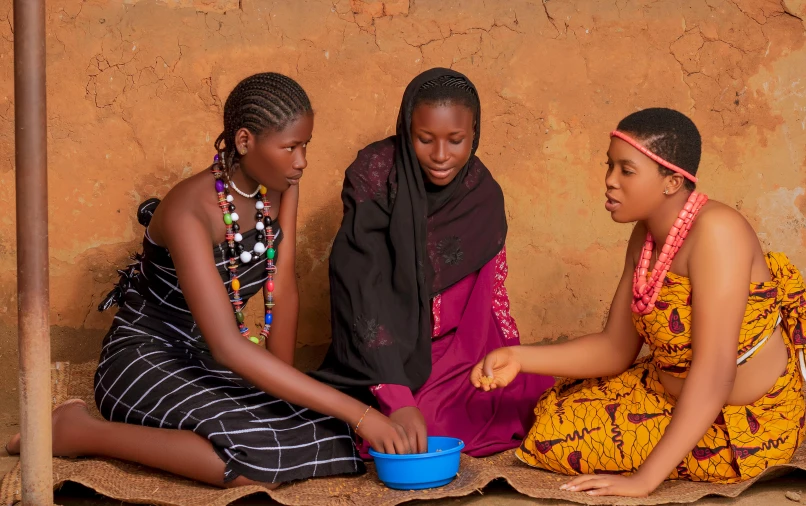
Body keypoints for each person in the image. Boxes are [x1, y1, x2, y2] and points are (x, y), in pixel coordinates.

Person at [6, 72, 413, 488]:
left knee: (332, 434)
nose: (301, 161)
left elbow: (283, 290)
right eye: (290, 147)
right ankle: (76, 431)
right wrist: (360, 414)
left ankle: (214, 426)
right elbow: (228, 345)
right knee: (254, 461)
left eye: (306, 145)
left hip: (208, 362)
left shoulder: (281, 186)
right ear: (244, 141)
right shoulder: (188, 212)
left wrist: (283, 393)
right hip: (143, 357)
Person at [471, 107, 806, 497]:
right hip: (665, 391)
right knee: (552, 418)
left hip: (735, 420)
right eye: (609, 166)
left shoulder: (718, 234)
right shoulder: (645, 236)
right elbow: (616, 348)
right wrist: (518, 357)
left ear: (671, 181)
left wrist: (644, 481)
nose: (609, 182)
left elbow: (715, 373)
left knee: (564, 444)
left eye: (626, 171)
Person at [313, 68, 555, 457]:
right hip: (382, 351)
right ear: (406, 129)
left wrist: (498, 362)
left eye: (456, 141)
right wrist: (395, 394)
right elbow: (359, 287)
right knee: (407, 430)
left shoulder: (482, 193)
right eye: (424, 140)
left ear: (475, 133)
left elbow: (487, 302)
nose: (441, 156)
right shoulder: (375, 175)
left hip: (460, 351)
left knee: (527, 403)